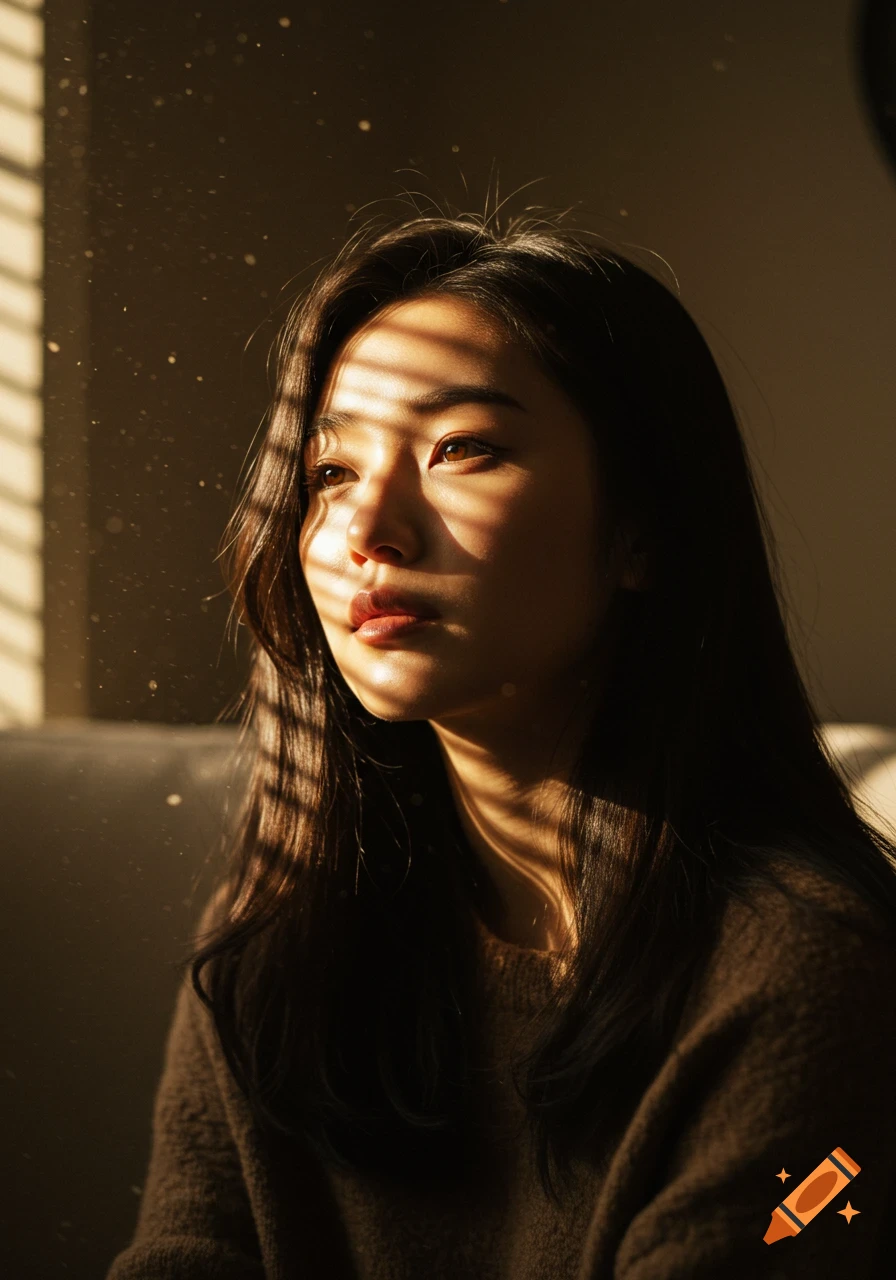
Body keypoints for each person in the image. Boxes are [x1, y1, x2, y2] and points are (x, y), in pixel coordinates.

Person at [105, 201, 896, 1279]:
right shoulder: (293, 933)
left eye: (460, 447)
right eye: (328, 472)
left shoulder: (799, 973)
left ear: (641, 528)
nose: (364, 528)